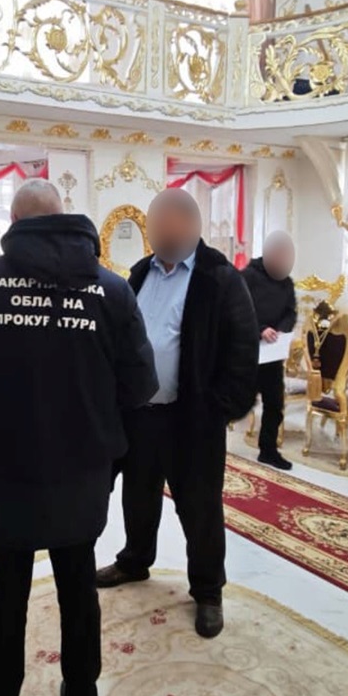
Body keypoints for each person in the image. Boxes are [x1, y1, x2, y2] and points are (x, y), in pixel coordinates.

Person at [0, 179, 157, 696]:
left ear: (14, 223)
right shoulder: (111, 290)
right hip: (82, 473)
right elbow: (141, 386)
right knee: (78, 589)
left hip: (5, 471)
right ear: (65, 218)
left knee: (8, 592)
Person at [95, 189, 259, 639]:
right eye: (156, 232)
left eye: (171, 232)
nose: (162, 240)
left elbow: (243, 352)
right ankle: (135, 560)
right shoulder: (140, 273)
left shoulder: (220, 279)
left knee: (199, 507)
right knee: (137, 495)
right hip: (139, 414)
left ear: (193, 227)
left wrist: (218, 409)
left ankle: (208, 591)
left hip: (193, 421)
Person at [241, 230, 298, 470]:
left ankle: (268, 449)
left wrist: (281, 330)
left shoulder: (286, 283)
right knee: (234, 401)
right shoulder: (247, 277)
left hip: (273, 356)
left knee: (275, 404)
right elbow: (239, 310)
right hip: (247, 353)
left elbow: (290, 313)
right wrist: (261, 329)